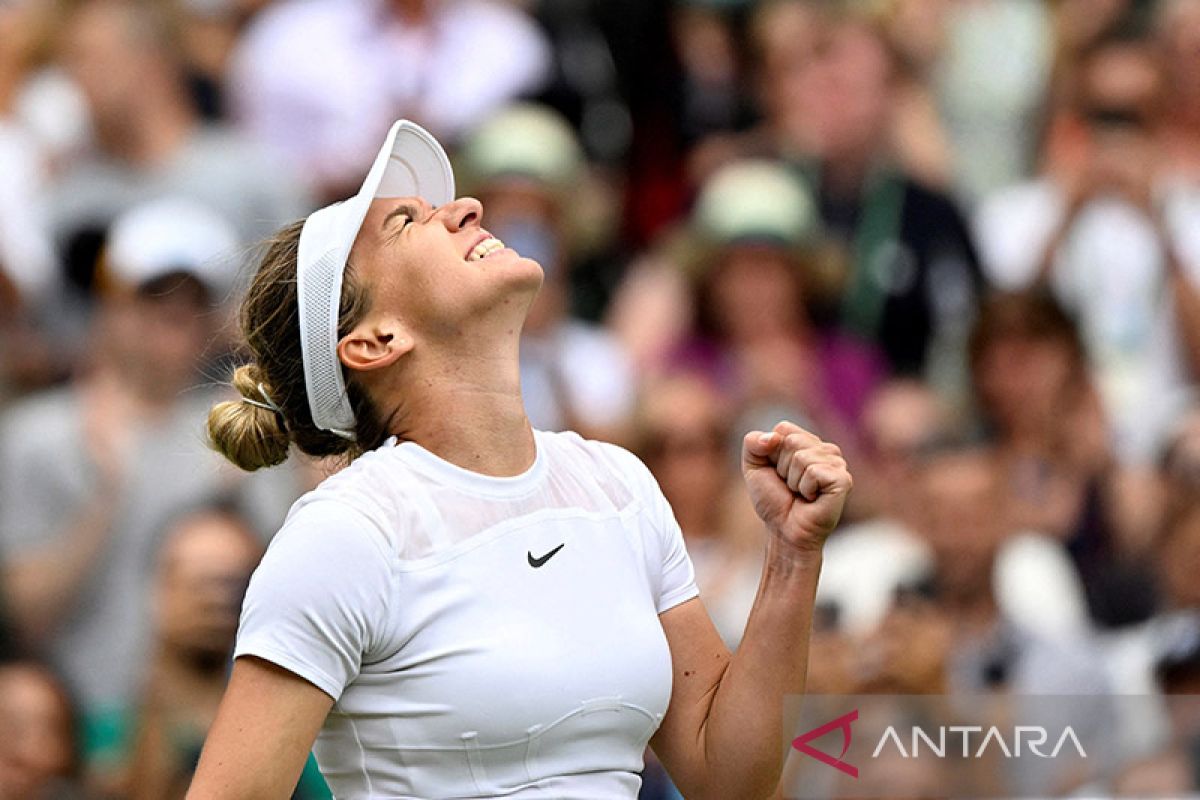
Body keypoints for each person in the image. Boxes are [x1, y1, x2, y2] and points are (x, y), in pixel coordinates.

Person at [187, 120, 853, 799]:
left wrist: (792, 557)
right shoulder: (347, 533)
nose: (468, 209)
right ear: (375, 340)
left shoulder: (618, 483)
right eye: (408, 222)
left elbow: (730, 776)